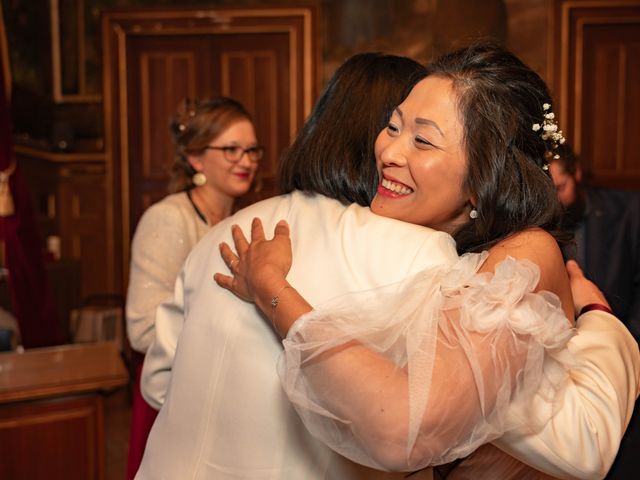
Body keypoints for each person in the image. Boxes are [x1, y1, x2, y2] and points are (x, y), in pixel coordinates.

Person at [138, 51, 638, 480]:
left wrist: (600, 322)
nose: (389, 152)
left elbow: (158, 383)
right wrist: (600, 322)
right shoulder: (423, 255)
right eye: (393, 126)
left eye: (422, 140)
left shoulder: (232, 231)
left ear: (480, 180)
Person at [124, 96, 261, 479]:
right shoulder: (168, 219)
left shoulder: (244, 219)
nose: (246, 161)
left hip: (218, 384)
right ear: (196, 158)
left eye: (251, 150)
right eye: (231, 150)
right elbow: (142, 330)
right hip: (169, 387)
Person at [549, 144, 640, 479]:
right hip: (562, 373)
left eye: (561, 188)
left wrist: (622, 348)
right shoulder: (540, 222)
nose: (556, 200)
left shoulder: (629, 211)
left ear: (577, 175)